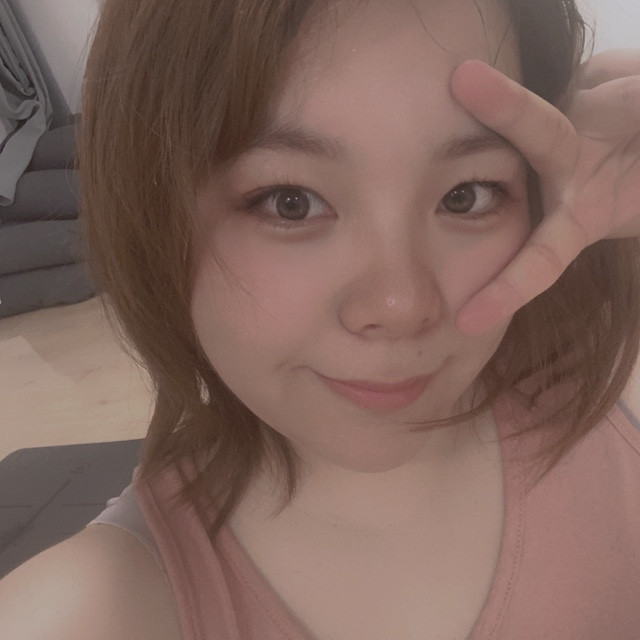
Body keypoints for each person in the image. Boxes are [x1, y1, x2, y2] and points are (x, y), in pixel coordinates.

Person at [1, 0, 639, 638]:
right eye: (291, 202)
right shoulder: (96, 607)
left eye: (465, 195)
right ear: (152, 215)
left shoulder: (617, 403)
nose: (400, 307)